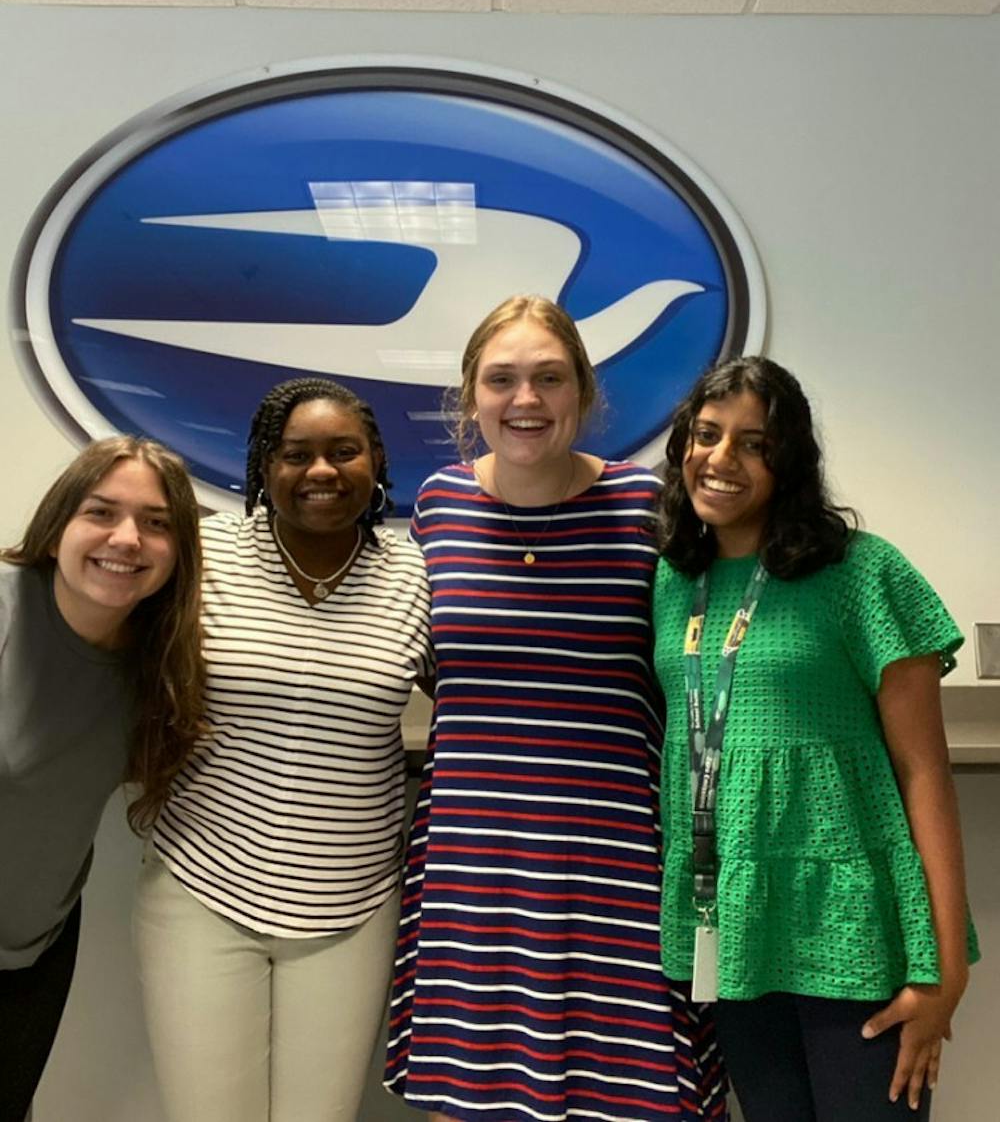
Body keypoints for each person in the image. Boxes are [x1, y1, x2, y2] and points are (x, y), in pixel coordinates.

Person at [386, 295, 726, 1121]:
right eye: (501, 379)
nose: (525, 399)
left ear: (584, 393)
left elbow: (700, 672)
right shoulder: (437, 506)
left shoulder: (648, 507)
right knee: (469, 1095)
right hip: (475, 867)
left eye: (549, 377)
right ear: (471, 397)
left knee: (639, 1093)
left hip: (621, 863)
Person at [653, 356, 977, 1122]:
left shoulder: (861, 572)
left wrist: (946, 968)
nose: (722, 458)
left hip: (852, 927)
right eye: (707, 434)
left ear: (789, 460)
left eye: (754, 443)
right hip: (733, 927)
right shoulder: (672, 578)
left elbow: (924, 770)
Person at [134, 377, 432, 1122]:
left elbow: (491, 700)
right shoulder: (203, 554)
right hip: (200, 891)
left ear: (377, 461)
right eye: (295, 454)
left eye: (343, 452)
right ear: (263, 467)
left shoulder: (417, 577)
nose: (321, 471)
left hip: (351, 907)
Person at [0, 436, 204, 1122]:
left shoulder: (156, 669)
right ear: (59, 522)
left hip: (35, 951)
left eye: (156, 522)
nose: (127, 538)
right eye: (102, 511)